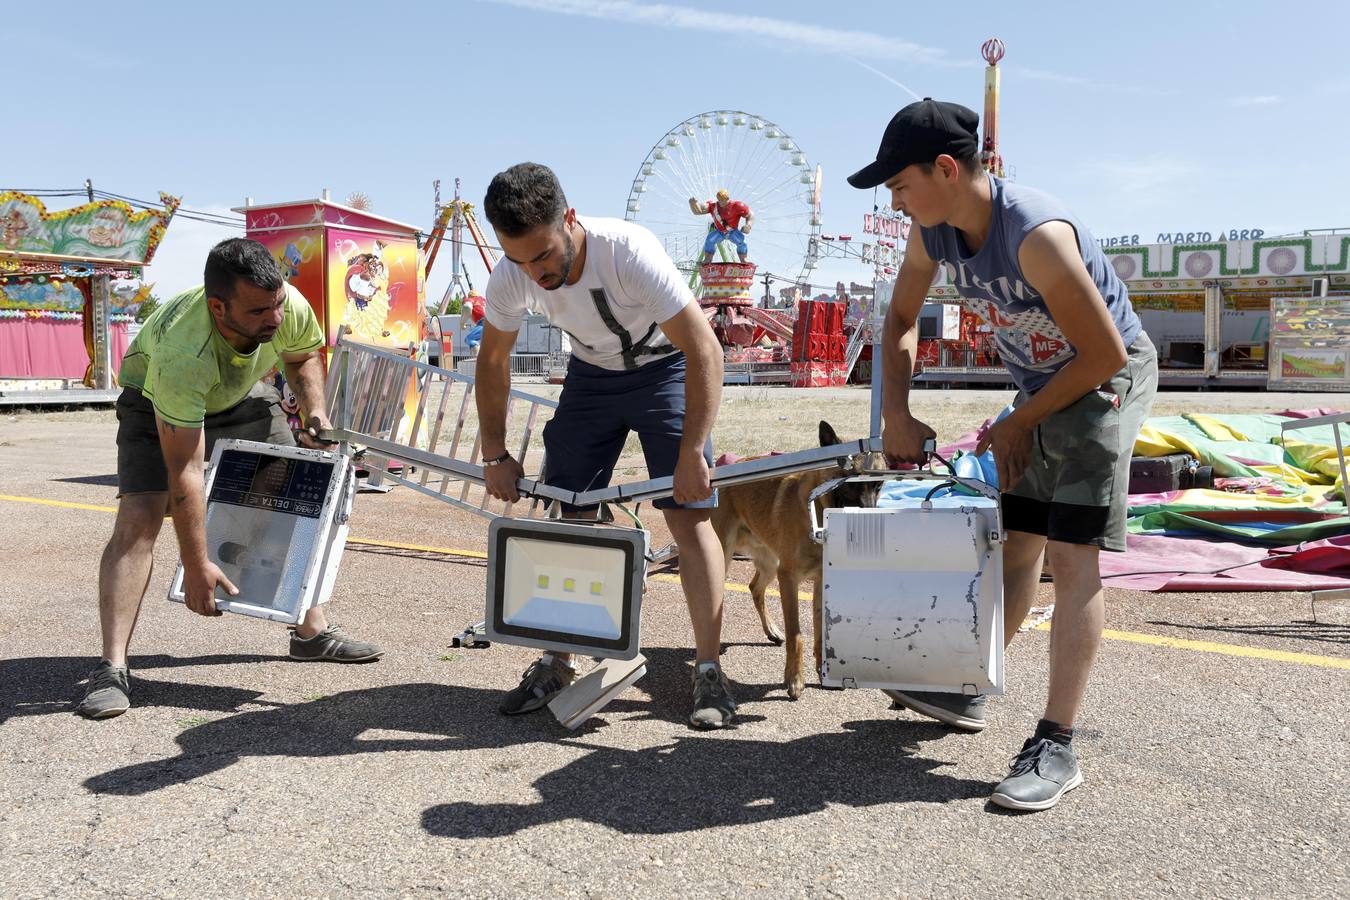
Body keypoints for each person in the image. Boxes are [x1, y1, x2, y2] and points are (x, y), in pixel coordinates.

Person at [848, 99, 1157, 811]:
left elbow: (1104, 351)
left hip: (1105, 379)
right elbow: (898, 319)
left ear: (947, 170)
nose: (896, 205)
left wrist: (1021, 422)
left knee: (1072, 555)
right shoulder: (936, 233)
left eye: (898, 186)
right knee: (1019, 541)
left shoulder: (1035, 234)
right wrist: (896, 411)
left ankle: (1057, 744)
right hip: (1045, 387)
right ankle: (967, 686)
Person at [76, 239, 383, 720]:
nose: (276, 318)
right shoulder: (184, 351)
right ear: (218, 307)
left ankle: (311, 632)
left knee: (301, 492)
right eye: (260, 310)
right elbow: (187, 473)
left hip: (241, 395)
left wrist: (314, 411)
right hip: (156, 402)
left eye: (277, 304)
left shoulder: (284, 303)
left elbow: (301, 356)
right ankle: (112, 668)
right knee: (139, 518)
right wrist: (197, 564)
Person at [478, 162, 735, 729]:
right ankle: (557, 659)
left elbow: (704, 349)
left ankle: (710, 669)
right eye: (519, 259)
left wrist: (692, 453)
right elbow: (493, 361)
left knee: (689, 516)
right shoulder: (512, 274)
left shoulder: (629, 251)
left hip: (664, 368)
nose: (534, 273)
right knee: (568, 513)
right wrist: (495, 453)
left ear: (569, 220)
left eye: (543, 255)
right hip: (591, 377)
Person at [689, 189, 753, 264]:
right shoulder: (713, 206)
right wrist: (693, 204)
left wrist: (748, 225)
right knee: (710, 240)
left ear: (728, 199)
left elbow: (750, 214)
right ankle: (708, 259)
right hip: (720, 232)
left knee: (742, 241)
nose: (721, 202)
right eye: (719, 200)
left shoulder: (737, 206)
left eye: (723, 200)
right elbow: (698, 211)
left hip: (732, 231)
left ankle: (743, 260)